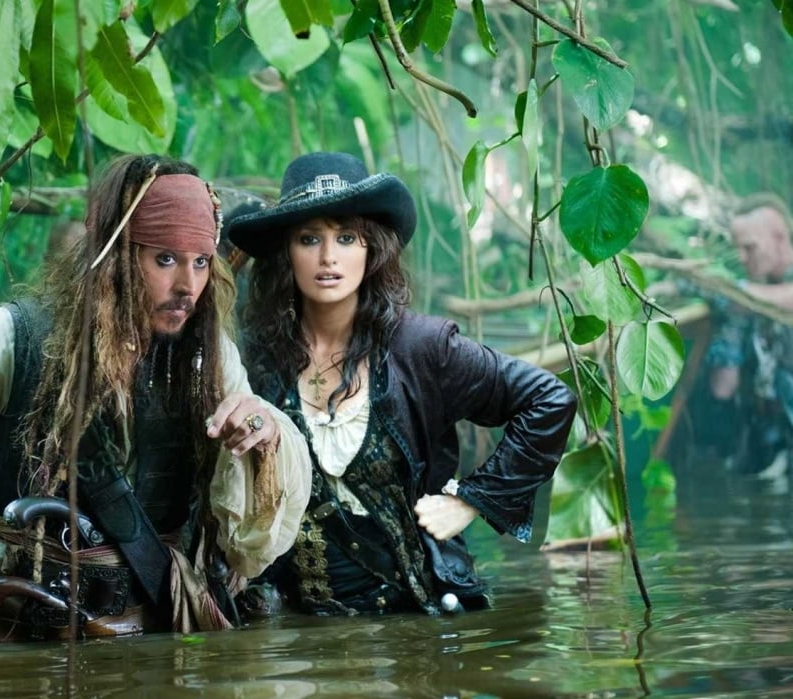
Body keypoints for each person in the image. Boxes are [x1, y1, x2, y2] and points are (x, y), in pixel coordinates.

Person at [0, 154, 311, 641]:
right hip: (24, 637)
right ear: (116, 256)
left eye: (200, 262)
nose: (188, 285)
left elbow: (248, 538)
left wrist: (263, 436)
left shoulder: (208, 355)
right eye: (165, 259)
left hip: (157, 632)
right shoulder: (12, 339)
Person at [227, 152, 576, 616]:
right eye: (309, 239)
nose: (328, 257)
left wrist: (470, 500)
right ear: (286, 253)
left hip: (418, 619)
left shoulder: (422, 347)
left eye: (346, 238)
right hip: (303, 630)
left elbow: (550, 399)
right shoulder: (255, 359)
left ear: (371, 249)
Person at [705, 193, 793, 476]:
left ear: (779, 237)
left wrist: (732, 292)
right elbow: (723, 388)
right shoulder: (751, 301)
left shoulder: (756, 296)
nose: (742, 257)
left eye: (750, 247)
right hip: (771, 441)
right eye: (738, 248)